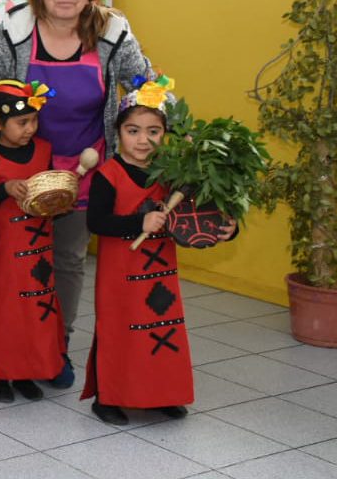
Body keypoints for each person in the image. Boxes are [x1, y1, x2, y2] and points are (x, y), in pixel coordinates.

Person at [0, 0, 156, 389]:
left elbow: (145, 84)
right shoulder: (16, 29)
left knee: (67, 261)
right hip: (20, 169)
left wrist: (164, 121)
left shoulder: (112, 32)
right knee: (13, 263)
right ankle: (9, 352)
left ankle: (58, 347)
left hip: (82, 172)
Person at [82, 77, 236, 424]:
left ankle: (162, 394)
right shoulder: (108, 174)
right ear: (118, 132)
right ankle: (108, 397)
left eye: (153, 132)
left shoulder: (173, 174)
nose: (143, 140)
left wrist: (229, 229)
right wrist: (138, 223)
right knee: (121, 331)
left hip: (160, 277)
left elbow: (200, 213)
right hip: (120, 276)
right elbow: (97, 223)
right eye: (133, 130)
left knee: (161, 330)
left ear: (165, 135)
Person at [0, 80, 67, 404]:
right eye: (22, 123)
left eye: (33, 121)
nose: (29, 129)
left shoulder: (44, 150)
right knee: (6, 313)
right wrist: (5, 189)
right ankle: (1, 373)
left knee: (38, 311)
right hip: (5, 255)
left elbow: (52, 194)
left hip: (39, 252)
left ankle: (28, 371)